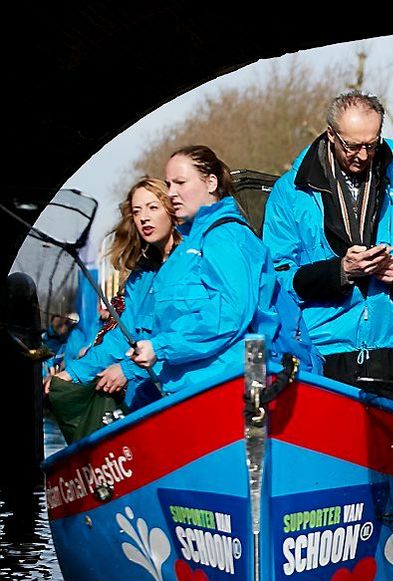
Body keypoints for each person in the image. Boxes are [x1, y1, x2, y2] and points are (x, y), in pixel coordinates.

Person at [263, 91, 393, 391]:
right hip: (326, 349)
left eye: (372, 145)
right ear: (331, 134)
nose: (362, 155)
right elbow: (277, 278)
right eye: (352, 146)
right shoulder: (291, 192)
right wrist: (340, 271)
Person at [126, 146, 266, 393]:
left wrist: (160, 348)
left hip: (229, 385)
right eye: (169, 184)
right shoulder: (188, 244)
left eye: (180, 183)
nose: (171, 193)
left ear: (211, 183)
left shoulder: (225, 236)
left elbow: (230, 315)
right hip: (186, 388)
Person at [45, 176, 179, 415]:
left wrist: (127, 370)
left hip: (186, 388)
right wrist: (72, 374)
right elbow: (122, 337)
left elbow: (184, 334)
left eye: (153, 207)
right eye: (137, 211)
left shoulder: (190, 260)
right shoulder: (141, 277)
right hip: (152, 398)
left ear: (172, 210)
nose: (144, 217)